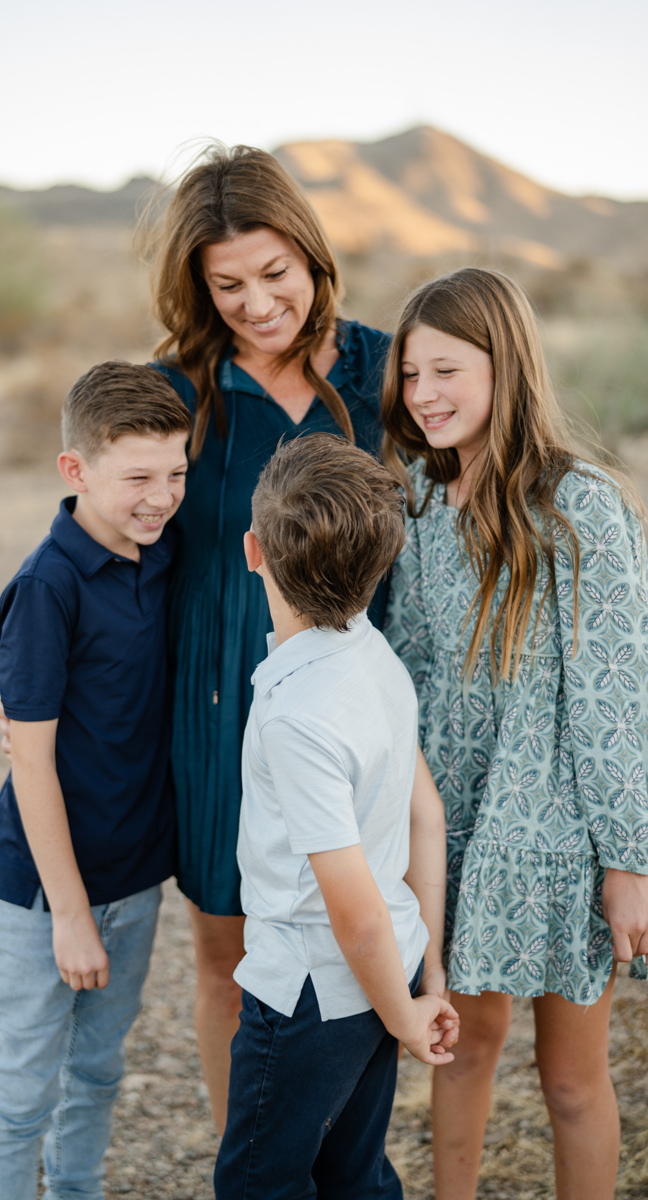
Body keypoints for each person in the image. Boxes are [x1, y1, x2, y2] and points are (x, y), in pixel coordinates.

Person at [0, 145, 399, 1130]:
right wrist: (39, 641)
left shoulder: (382, 369)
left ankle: (338, 1162)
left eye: (274, 274)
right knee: (229, 950)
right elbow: (105, 509)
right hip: (217, 709)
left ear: (310, 253)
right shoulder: (180, 385)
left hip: (352, 698)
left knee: (359, 939)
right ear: (197, 286)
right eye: (227, 285)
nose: (257, 304)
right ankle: (244, 1167)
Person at [381, 267, 648, 1200]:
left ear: (507, 365)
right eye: (411, 376)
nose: (425, 396)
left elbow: (616, 695)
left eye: (447, 370)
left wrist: (630, 859)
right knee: (464, 1044)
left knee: (571, 1076)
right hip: (451, 828)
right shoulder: (415, 502)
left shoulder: (580, 509)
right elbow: (396, 665)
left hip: (562, 837)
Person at [214, 433, 459, 1200]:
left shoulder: (299, 712)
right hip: (393, 963)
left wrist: (407, 1015)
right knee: (353, 1175)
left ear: (253, 550)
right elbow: (428, 817)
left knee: (259, 1180)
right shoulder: (373, 653)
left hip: (314, 991)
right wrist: (426, 977)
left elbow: (349, 913)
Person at [0, 363, 191, 1200]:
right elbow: (29, 760)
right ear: (76, 471)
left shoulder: (163, 555)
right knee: (24, 1089)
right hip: (44, 895)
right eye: (138, 476)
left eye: (175, 473)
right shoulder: (45, 587)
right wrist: (69, 915)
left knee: (98, 1074)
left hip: (134, 879)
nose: (161, 496)